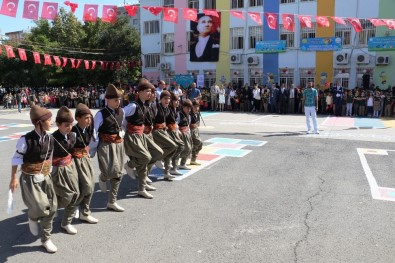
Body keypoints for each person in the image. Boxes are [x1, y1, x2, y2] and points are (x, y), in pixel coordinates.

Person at [9, 105, 58, 253]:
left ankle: (45, 237)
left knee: (52, 207)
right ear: (39, 122)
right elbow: (16, 159)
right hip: (30, 178)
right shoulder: (26, 140)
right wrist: (13, 178)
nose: (52, 122)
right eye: (49, 120)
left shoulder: (50, 139)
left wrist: (49, 174)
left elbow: (49, 158)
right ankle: (34, 219)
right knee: (41, 206)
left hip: (45, 177)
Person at [90, 84, 125, 212]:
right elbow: (94, 132)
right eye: (115, 100)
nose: (118, 102)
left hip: (118, 144)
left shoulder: (122, 112)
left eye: (119, 99)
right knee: (110, 171)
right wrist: (92, 149)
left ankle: (112, 202)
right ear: (108, 100)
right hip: (105, 145)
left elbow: (122, 127)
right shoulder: (101, 114)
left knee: (118, 173)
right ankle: (103, 177)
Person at [123, 80, 158, 199]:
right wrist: (124, 129)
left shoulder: (144, 105)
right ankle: (129, 165)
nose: (150, 93)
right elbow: (122, 115)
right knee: (145, 157)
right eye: (147, 91)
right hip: (133, 136)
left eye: (150, 91)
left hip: (141, 135)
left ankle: (141, 188)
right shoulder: (133, 105)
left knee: (155, 154)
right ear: (140, 92)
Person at [51, 106, 80, 235]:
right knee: (66, 196)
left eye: (71, 124)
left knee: (76, 194)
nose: (69, 127)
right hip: (58, 171)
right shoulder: (52, 139)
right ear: (58, 124)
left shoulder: (72, 135)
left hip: (70, 168)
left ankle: (66, 222)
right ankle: (43, 212)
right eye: (66, 125)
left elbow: (72, 152)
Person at [72, 103, 99, 224]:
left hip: (85, 159)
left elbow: (91, 144)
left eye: (90, 117)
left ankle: (84, 212)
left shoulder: (89, 129)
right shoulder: (73, 132)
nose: (89, 120)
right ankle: (76, 207)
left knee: (90, 185)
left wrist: (89, 154)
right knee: (82, 186)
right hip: (75, 161)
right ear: (77, 118)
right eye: (86, 118)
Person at [152, 90, 178, 181]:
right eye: (165, 98)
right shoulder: (156, 107)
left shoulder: (167, 108)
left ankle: (166, 173)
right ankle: (158, 158)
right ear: (161, 99)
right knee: (173, 146)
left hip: (163, 131)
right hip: (155, 131)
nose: (167, 100)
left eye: (169, 99)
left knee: (171, 150)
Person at [177, 99, 193, 170]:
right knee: (183, 149)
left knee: (189, 148)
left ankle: (183, 163)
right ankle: (174, 164)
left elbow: (188, 125)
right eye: (187, 108)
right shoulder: (179, 114)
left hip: (187, 133)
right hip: (181, 134)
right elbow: (176, 124)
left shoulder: (189, 116)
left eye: (190, 108)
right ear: (183, 107)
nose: (188, 110)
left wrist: (189, 133)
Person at [190, 100, 203, 165]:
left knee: (199, 145)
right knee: (198, 143)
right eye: (195, 106)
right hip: (190, 131)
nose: (196, 108)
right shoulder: (189, 114)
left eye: (198, 106)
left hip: (196, 130)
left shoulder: (198, 114)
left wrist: (196, 126)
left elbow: (198, 124)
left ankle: (193, 159)